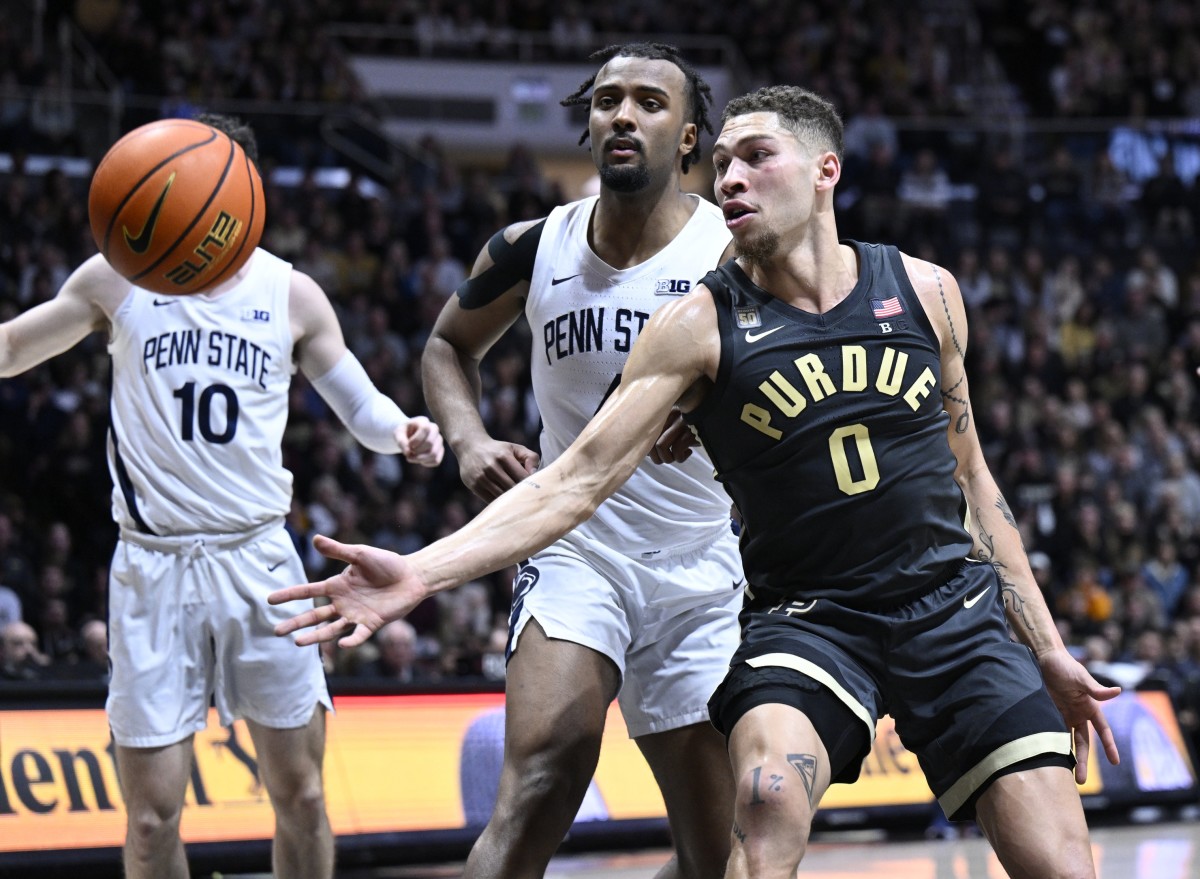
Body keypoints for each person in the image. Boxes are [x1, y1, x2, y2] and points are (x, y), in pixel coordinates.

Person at [270, 86, 1122, 878]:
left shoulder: (928, 292)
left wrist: (1047, 648)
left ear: (828, 171)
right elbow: (576, 478)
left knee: (1060, 863)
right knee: (764, 796)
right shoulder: (697, 326)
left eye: (757, 157)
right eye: (722, 163)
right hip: (809, 619)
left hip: (949, 609)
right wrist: (424, 569)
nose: (732, 177)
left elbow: (976, 481)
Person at [0, 113, 443, 879]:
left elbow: (361, 406)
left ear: (241, 193)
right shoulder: (115, 274)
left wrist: (405, 429)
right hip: (153, 562)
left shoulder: (292, 293)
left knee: (301, 795)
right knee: (148, 818)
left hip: (260, 561)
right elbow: (12, 347)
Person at [417, 43, 742, 879]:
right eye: (606, 101)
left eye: (647, 102)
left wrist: (711, 422)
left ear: (691, 139)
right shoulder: (531, 245)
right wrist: (470, 440)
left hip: (703, 563)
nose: (622, 115)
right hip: (575, 549)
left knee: (720, 860)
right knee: (540, 782)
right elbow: (447, 347)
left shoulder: (734, 253)